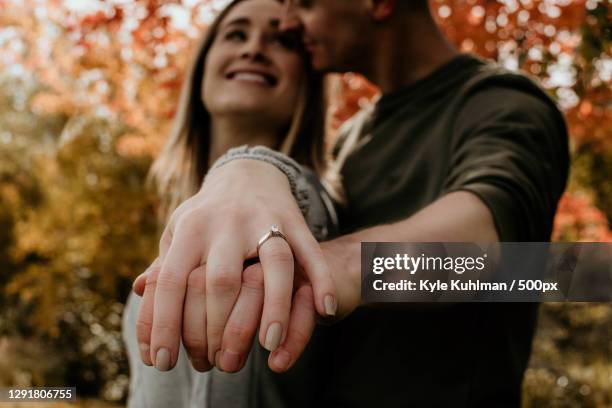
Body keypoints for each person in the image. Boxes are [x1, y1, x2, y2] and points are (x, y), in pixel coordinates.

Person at [134, 0, 570, 406]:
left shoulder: (502, 105)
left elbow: (490, 255)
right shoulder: (350, 142)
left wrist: (332, 266)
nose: (287, 20)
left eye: (303, 2)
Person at [122, 0, 339, 406]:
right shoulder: (178, 222)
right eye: (236, 34)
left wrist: (248, 164)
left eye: (283, 41)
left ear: (307, 83)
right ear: (203, 65)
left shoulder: (311, 212)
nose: (253, 48)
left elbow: (496, 271)